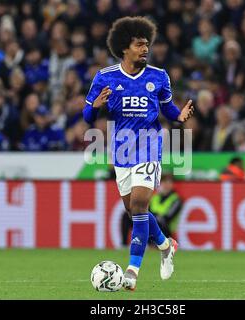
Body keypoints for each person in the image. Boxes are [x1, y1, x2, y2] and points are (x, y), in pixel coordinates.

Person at [83, 16, 194, 291]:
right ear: (124, 47)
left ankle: (132, 272)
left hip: (149, 146)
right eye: (139, 44)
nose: (145, 49)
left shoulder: (159, 76)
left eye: (147, 44)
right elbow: (86, 116)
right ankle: (167, 246)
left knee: (140, 206)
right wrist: (95, 106)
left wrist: (178, 116)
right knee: (133, 211)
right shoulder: (105, 77)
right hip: (121, 151)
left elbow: (167, 108)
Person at [149, 173, 183, 239]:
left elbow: (168, 217)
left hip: (167, 228)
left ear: (172, 185)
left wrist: (155, 216)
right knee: (128, 217)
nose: (166, 185)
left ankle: (157, 244)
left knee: (156, 222)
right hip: (153, 223)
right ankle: (125, 245)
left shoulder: (176, 199)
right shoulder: (155, 197)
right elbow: (147, 211)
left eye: (169, 183)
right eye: (164, 182)